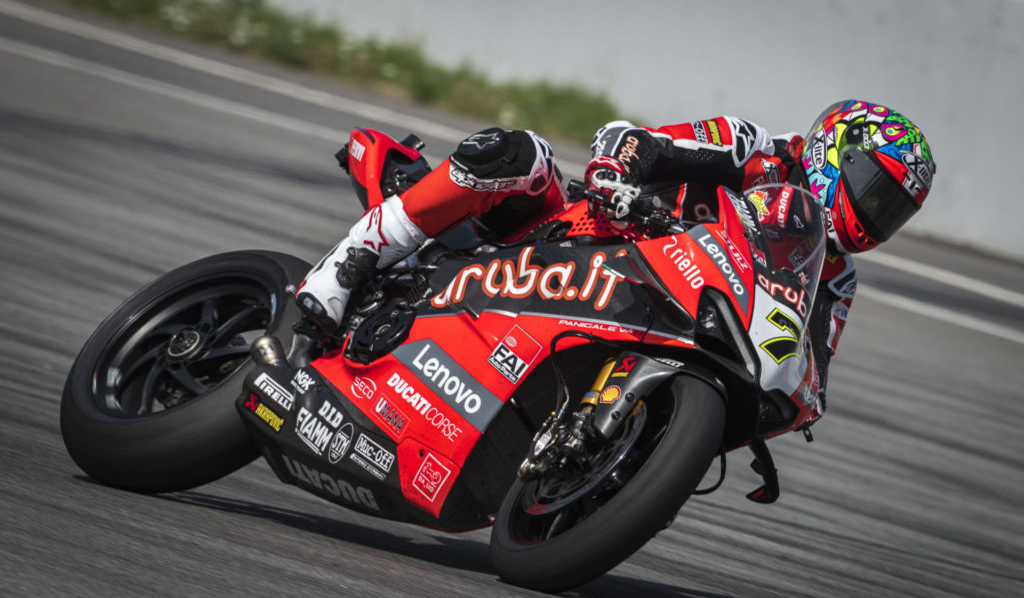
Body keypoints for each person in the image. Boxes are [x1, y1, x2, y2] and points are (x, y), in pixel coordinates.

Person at [295, 99, 936, 422]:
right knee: (518, 154)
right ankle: (348, 261)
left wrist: (786, 403)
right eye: (876, 193)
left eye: (893, 213)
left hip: (660, 323)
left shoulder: (835, 276)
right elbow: (635, 139)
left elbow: (810, 364)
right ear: (837, 152)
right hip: (574, 237)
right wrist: (614, 175)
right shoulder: (752, 151)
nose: (876, 218)